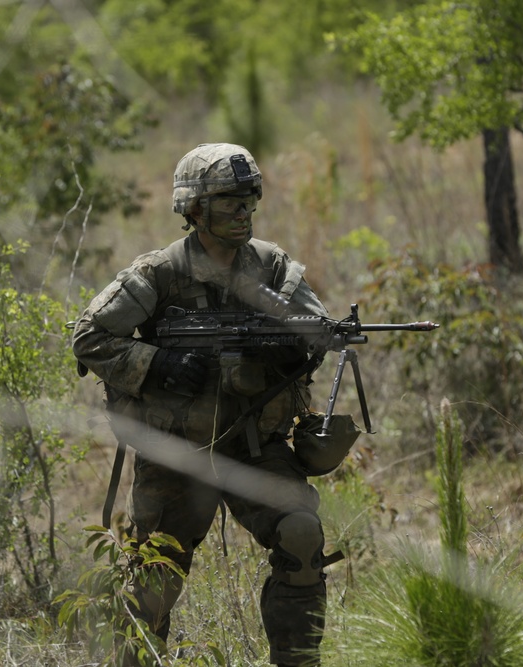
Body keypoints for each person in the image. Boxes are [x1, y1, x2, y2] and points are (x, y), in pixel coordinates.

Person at [71, 143, 338, 667]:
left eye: (249, 199)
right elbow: (88, 337)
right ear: (193, 208)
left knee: (301, 533)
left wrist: (295, 347)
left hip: (254, 445)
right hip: (176, 452)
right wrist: (157, 364)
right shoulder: (161, 273)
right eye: (228, 201)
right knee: (153, 580)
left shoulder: (273, 267)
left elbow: (320, 332)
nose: (243, 211)